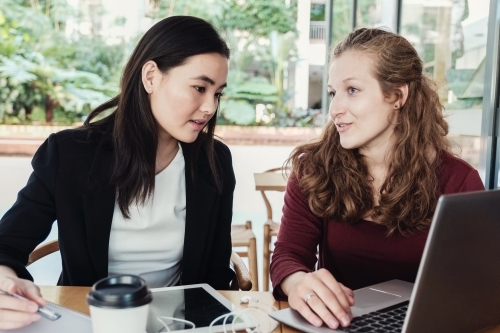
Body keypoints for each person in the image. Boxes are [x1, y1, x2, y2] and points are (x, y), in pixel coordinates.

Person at [0, 16, 235, 330]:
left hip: (181, 324)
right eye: (199, 88)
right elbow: (7, 244)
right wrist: (5, 279)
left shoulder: (214, 162)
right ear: (151, 76)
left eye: (217, 93)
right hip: (90, 321)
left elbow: (217, 275)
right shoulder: (69, 155)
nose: (210, 107)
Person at [270, 27, 485, 330]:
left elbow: (477, 286)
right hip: (337, 324)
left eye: (352, 90)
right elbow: (289, 254)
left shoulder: (458, 181)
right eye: (333, 93)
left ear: (397, 95)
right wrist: (299, 283)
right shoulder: (313, 169)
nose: (334, 109)